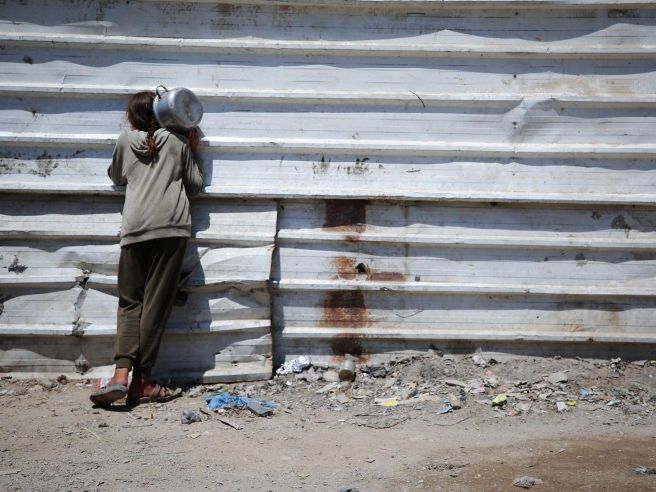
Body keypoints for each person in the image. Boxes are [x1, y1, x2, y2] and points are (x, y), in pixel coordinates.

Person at [90, 91, 204, 407]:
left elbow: (116, 176)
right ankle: (142, 381)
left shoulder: (125, 140)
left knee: (130, 302)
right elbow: (195, 186)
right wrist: (192, 149)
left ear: (132, 116)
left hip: (135, 228)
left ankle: (119, 376)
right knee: (155, 305)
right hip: (170, 228)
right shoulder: (178, 141)